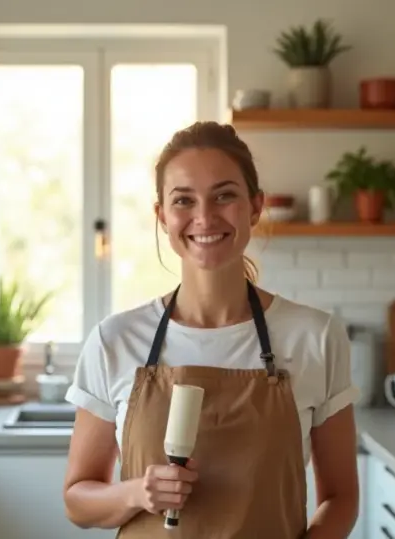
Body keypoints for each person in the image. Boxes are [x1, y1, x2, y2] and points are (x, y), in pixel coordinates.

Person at [62, 120, 361, 538]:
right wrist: (136, 493)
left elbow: (341, 496)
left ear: (255, 207)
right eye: (184, 200)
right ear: (162, 216)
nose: (204, 217)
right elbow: (78, 500)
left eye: (224, 196)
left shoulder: (315, 337)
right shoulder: (115, 341)